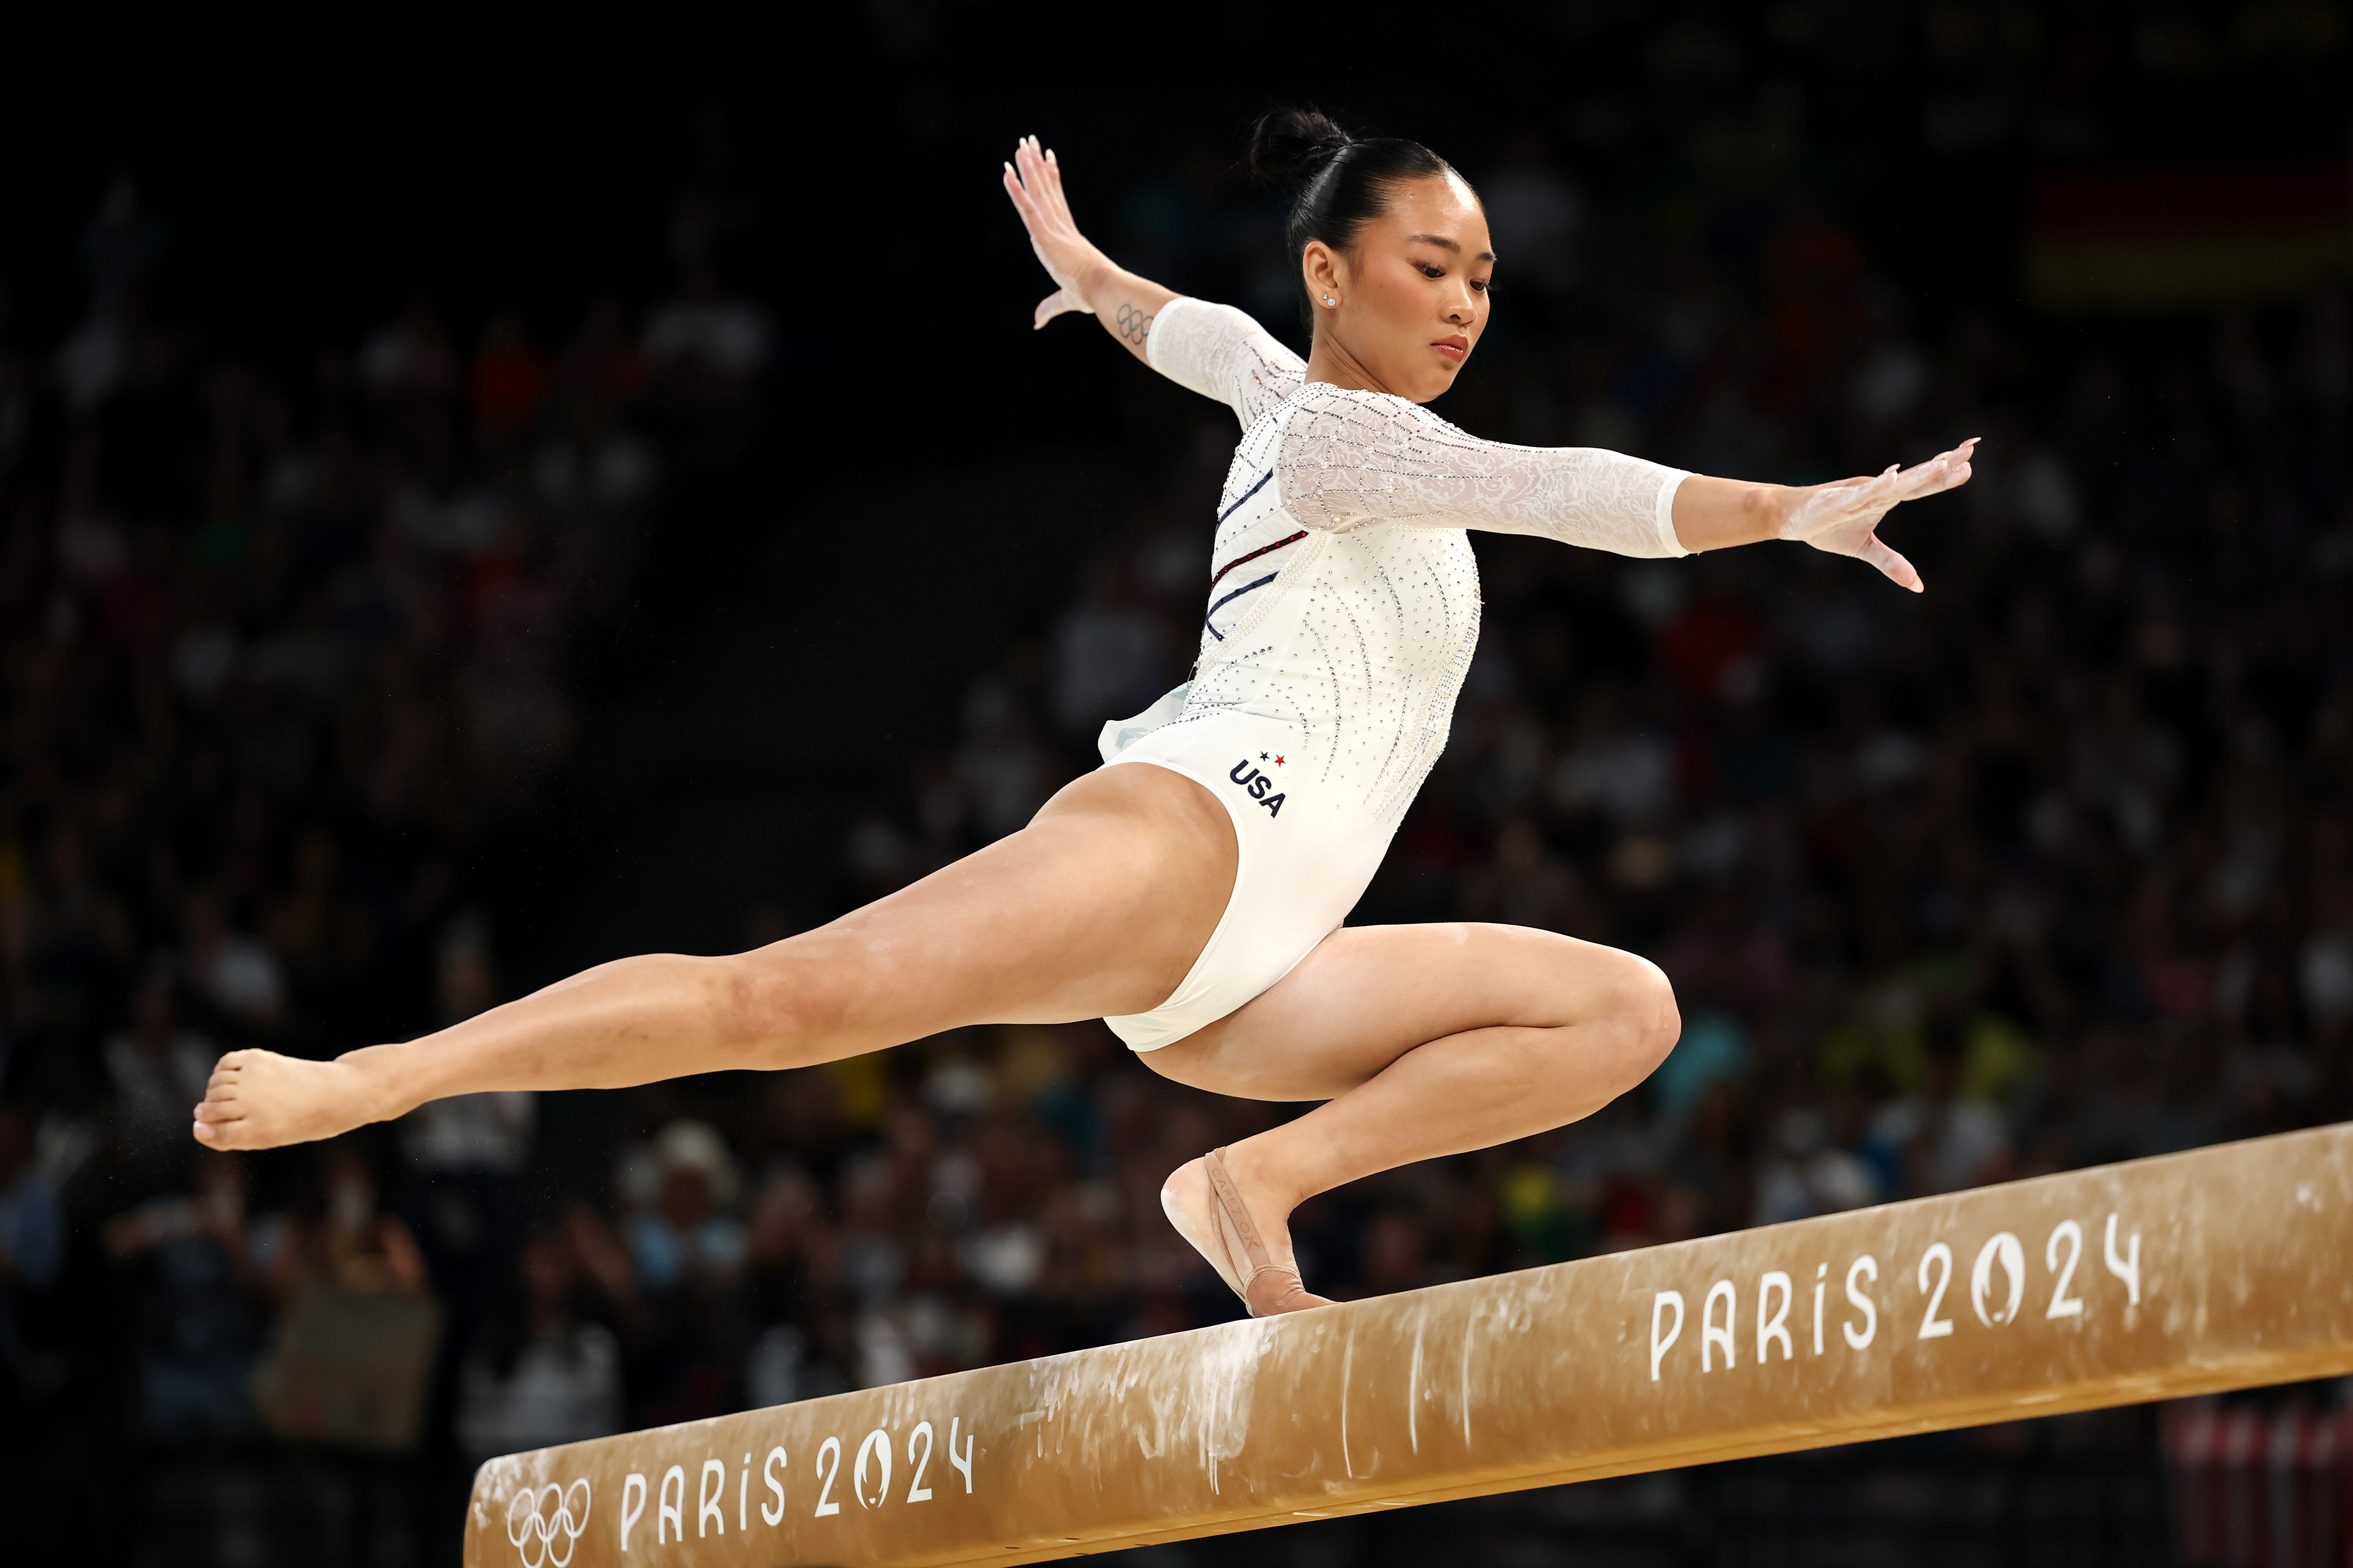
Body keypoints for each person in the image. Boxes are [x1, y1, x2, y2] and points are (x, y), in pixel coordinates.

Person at [192, 110, 1973, 1318]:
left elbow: (1194, 337)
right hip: (1195, 838)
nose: (1466, 300)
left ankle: (1255, 1190)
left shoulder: (1290, 392)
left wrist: (1095, 272)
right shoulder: (1353, 435)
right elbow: (1569, 484)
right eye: (1432, 262)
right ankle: (383, 1078)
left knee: (1622, 1012)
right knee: (784, 998)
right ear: (1333, 271)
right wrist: (1789, 507)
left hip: (1262, 977)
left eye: (1487, 276)